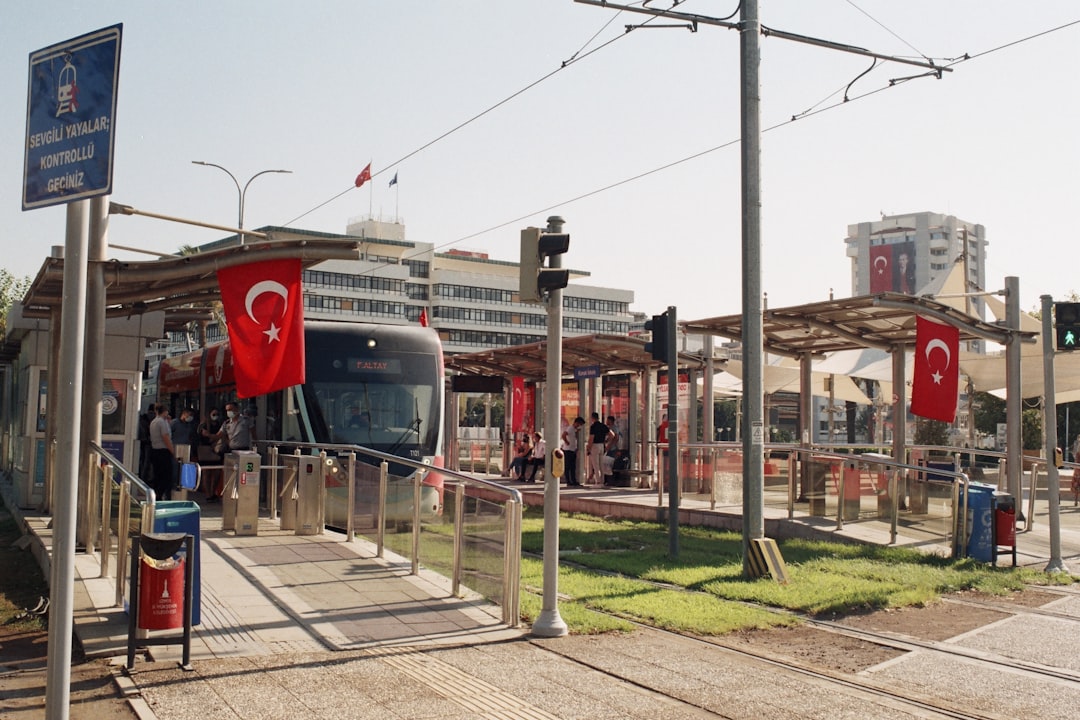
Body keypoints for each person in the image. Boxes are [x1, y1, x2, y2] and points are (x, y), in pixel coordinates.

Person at [148, 404, 174, 502]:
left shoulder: (153, 422)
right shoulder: (162, 422)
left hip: (155, 450)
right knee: (166, 476)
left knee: (157, 474)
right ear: (165, 411)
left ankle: (156, 494)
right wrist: (172, 451)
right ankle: (161, 495)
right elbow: (165, 437)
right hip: (163, 451)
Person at [199, 408, 225, 502]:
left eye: (217, 414)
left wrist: (210, 436)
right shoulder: (203, 425)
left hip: (217, 451)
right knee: (207, 473)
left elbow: (222, 436)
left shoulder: (221, 425)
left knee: (217, 472)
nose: (215, 416)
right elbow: (199, 438)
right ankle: (208, 494)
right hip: (206, 451)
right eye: (213, 414)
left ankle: (213, 492)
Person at [169, 408, 198, 488]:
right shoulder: (174, 423)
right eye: (190, 415)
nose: (191, 417)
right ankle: (173, 485)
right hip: (174, 448)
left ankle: (181, 485)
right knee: (174, 468)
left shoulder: (189, 425)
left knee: (183, 468)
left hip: (185, 449)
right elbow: (168, 434)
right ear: (184, 414)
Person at [586, 412, 613, 484]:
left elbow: (591, 438)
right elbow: (612, 435)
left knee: (596, 465)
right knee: (601, 464)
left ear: (592, 418)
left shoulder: (593, 427)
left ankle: (598, 481)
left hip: (595, 446)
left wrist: (588, 448)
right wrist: (606, 441)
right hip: (602, 445)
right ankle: (602, 481)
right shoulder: (603, 426)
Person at [561, 417, 584, 486]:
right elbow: (563, 435)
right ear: (577, 423)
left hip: (572, 449)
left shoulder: (573, 429)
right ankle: (568, 481)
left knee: (573, 466)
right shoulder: (570, 428)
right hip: (568, 450)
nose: (580, 426)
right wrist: (567, 442)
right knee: (568, 466)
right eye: (579, 424)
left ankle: (573, 481)